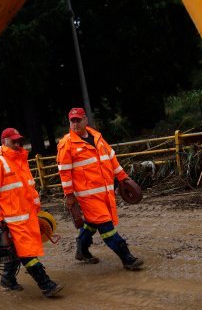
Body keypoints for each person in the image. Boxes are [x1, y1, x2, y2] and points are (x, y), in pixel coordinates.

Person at [57, 108, 144, 270]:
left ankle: (81, 251)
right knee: (106, 225)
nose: (75, 124)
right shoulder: (66, 144)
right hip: (87, 196)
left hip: (105, 192)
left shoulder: (97, 137)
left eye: (78, 120)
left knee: (91, 222)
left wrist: (123, 178)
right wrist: (69, 196)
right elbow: (65, 173)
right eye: (72, 121)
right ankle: (127, 259)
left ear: (85, 120)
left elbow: (111, 158)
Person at [0, 128, 64, 297]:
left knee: (17, 251)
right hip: (11, 220)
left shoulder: (20, 159)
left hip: (26, 216)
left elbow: (29, 187)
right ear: (4, 141)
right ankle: (46, 285)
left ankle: (7, 281)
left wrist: (36, 209)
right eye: (14, 141)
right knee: (27, 252)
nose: (18, 144)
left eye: (19, 140)